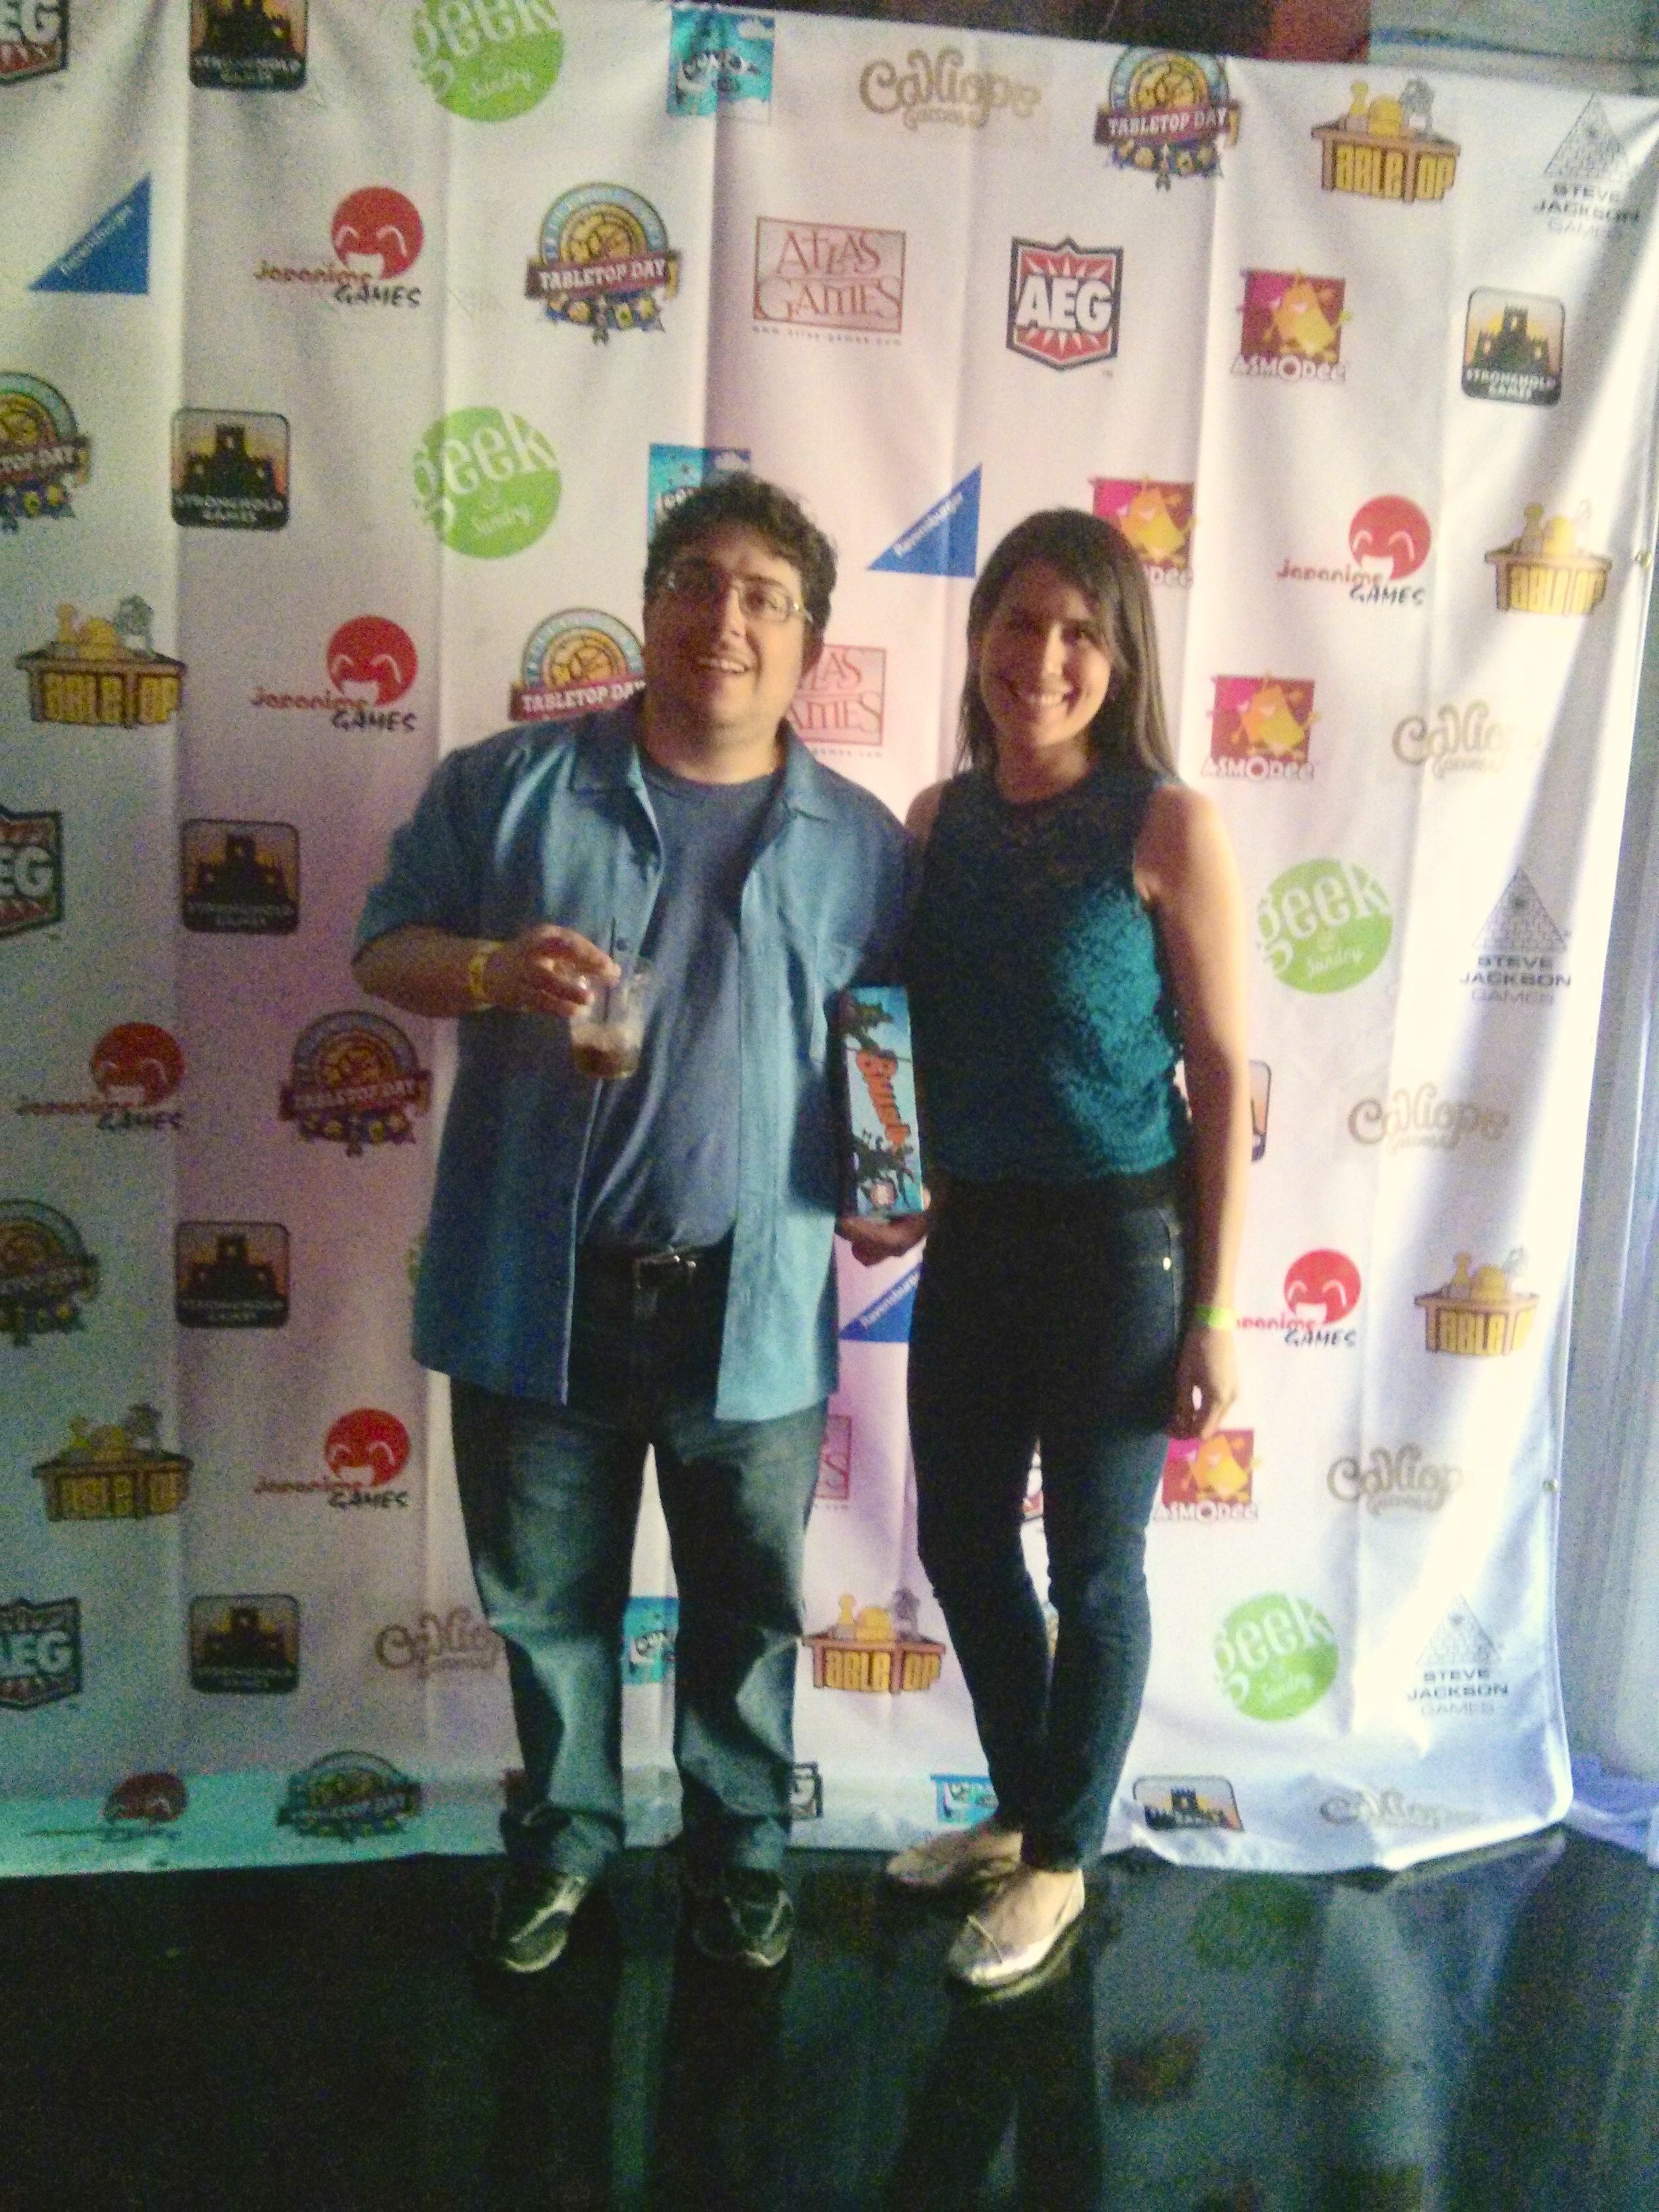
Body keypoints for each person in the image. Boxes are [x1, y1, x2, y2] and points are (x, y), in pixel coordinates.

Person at [354, 475, 911, 1975]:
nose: (727, 618)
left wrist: (891, 1184)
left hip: (752, 1298)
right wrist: (489, 971)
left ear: (808, 645)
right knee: (547, 1609)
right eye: (697, 582)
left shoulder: (863, 843)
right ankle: (563, 1845)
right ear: (650, 604)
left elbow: (886, 1038)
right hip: (538, 1291)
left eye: (765, 597)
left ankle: (743, 1852)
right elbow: (383, 947)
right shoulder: (505, 787)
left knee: (748, 1610)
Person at [846, 509, 1250, 1992]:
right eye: (1021, 620)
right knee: (959, 1537)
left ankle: (1064, 1862)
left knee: (1094, 1566)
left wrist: (1217, 1310)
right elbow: (891, 1022)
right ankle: (1027, 1811)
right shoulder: (936, 822)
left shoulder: (1167, 823)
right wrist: (891, 1175)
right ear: (979, 640)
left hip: (1121, 1250)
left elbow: (1224, 1077)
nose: (1046, 656)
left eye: (1083, 630)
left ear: (1121, 657)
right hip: (975, 1238)